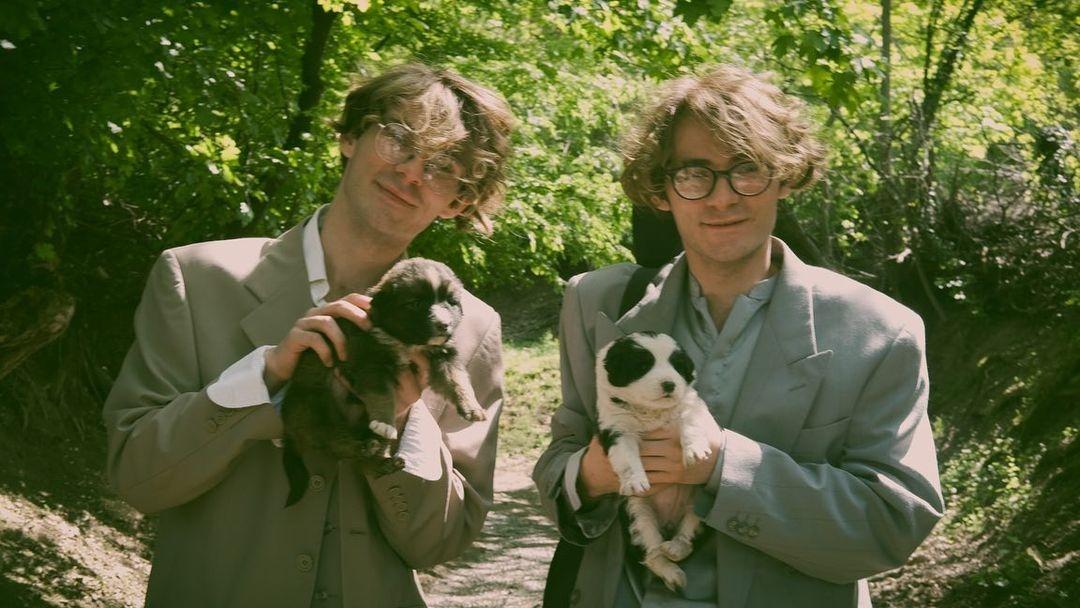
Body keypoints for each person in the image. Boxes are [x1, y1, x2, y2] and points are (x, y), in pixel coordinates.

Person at [533, 64, 944, 607]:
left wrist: (723, 467)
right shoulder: (597, 303)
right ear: (662, 189)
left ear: (785, 176)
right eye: (694, 173)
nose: (721, 198)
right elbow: (559, 461)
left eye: (746, 169)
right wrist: (586, 476)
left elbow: (893, 521)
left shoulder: (880, 332)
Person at [104, 63, 513, 607]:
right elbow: (136, 481)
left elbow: (441, 543)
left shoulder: (472, 330)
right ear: (350, 137)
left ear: (460, 200)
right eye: (398, 139)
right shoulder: (196, 278)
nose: (412, 173)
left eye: (442, 166)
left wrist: (401, 419)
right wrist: (263, 377)